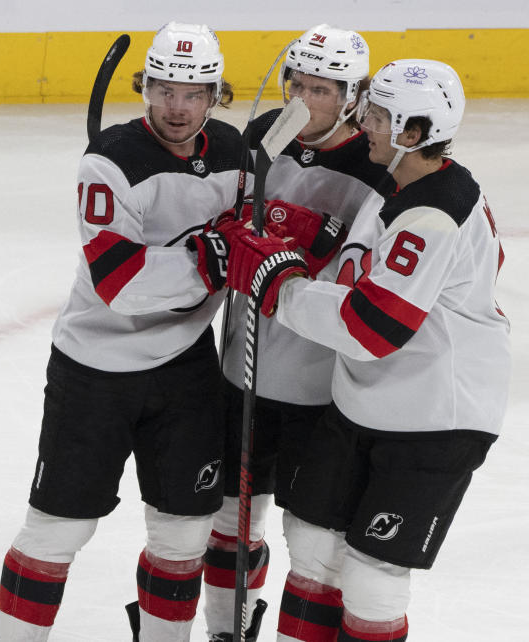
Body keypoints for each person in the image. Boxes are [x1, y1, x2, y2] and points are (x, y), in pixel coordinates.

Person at [223, 59, 510, 641]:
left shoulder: (433, 214)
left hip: (435, 420)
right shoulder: (403, 184)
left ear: (412, 134)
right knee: (312, 547)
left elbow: (371, 328)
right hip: (362, 402)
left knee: (373, 580)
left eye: (378, 117)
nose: (364, 124)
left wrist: (281, 286)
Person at [0, 22, 244, 642]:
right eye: (163, 90)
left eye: (193, 92)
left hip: (186, 368)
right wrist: (210, 258)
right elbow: (121, 284)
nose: (177, 107)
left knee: (185, 534)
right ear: (144, 87)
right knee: (58, 530)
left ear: (215, 94)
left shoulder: (238, 157)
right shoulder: (109, 162)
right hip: (94, 371)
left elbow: (250, 237)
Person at [202, 25, 395, 640]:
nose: (302, 99)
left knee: (314, 543)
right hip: (244, 373)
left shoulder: (378, 166)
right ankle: (225, 631)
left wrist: (301, 237)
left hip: (323, 388)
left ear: (351, 97)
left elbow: (360, 276)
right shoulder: (265, 136)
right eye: (296, 83)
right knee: (232, 520)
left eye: (320, 89)